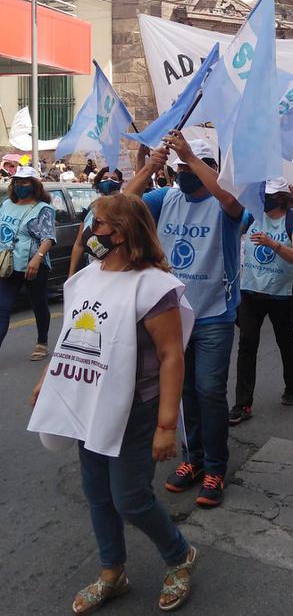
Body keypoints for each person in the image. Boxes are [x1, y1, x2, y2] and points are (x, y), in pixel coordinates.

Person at [27, 193, 198, 613]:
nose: (90, 232)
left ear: (122, 234)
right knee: (97, 494)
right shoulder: (87, 277)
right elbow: (71, 337)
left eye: (98, 224)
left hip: (135, 409)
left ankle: (179, 555)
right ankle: (112, 573)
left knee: (130, 499)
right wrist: (48, 378)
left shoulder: (155, 287)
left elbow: (171, 355)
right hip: (89, 400)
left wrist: (165, 425)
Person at [125, 131, 243, 509]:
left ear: (210, 168)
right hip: (172, 316)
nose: (184, 174)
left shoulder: (226, 203)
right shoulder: (166, 198)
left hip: (213, 314)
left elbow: (230, 201)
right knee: (185, 391)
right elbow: (120, 207)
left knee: (209, 390)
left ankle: (215, 466)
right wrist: (148, 169)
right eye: (180, 168)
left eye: (192, 166)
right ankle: (193, 460)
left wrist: (190, 156)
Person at [229, 178, 293, 425]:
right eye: (264, 195)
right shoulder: (252, 215)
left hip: (280, 294)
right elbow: (232, 233)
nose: (265, 199)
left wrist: (272, 243)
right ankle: (243, 403)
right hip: (250, 291)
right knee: (247, 344)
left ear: (282, 197)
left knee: (285, 340)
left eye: (271, 195)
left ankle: (291, 385)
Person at [0, 166, 55, 360]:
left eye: (24, 182)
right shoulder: (6, 204)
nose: (20, 185)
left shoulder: (43, 209)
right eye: (17, 182)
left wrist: (37, 258)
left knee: (38, 304)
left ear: (34, 185)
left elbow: (48, 237)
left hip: (33, 267)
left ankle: (42, 342)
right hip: (8, 266)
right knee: (2, 308)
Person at [68, 171, 124, 277]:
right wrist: (71, 273)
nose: (109, 181)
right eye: (105, 178)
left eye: (113, 178)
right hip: (92, 272)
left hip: (118, 272)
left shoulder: (126, 209)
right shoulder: (91, 209)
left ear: (120, 183)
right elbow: (79, 244)